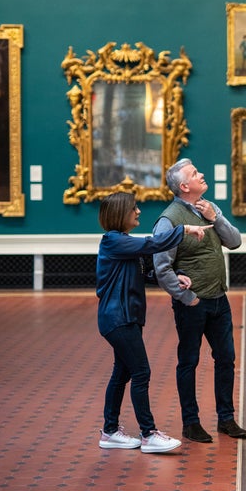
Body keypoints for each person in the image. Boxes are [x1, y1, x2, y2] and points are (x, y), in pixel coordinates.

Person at [96, 191, 209, 453]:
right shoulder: (112, 241)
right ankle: (148, 434)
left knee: (122, 373)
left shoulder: (122, 242)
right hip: (118, 318)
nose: (138, 212)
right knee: (141, 372)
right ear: (120, 214)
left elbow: (144, 271)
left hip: (126, 317)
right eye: (134, 208)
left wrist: (177, 275)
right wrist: (185, 229)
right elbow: (150, 245)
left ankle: (110, 431)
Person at [153, 159, 246, 444]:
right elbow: (162, 268)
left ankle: (226, 419)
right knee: (189, 361)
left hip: (219, 299)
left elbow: (235, 242)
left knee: (226, 359)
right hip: (193, 305)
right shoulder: (168, 220)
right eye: (196, 174)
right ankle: (191, 423)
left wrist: (215, 217)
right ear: (184, 186)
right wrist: (187, 298)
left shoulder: (209, 208)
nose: (201, 174)